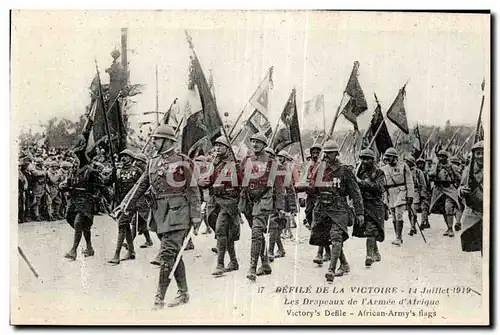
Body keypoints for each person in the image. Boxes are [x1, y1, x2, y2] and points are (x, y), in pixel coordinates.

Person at [121, 124, 201, 309]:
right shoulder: (152, 162)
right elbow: (141, 186)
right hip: (159, 215)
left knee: (166, 254)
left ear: (167, 141)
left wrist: (196, 217)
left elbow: (193, 189)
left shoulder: (183, 161)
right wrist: (126, 206)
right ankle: (184, 293)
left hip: (179, 213)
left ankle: (159, 299)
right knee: (173, 254)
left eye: (156, 139)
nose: (153, 142)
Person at [308, 140, 364, 282]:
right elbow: (313, 187)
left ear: (336, 154)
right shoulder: (319, 168)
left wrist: (360, 212)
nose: (326, 155)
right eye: (325, 152)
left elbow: (355, 193)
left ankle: (331, 270)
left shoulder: (345, 170)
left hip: (339, 208)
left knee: (336, 236)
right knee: (328, 237)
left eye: (330, 153)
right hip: (322, 208)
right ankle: (344, 264)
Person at [239, 132, 284, 281]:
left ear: (264, 145)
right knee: (256, 233)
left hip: (263, 200)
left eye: (258, 142)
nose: (255, 144)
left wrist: (279, 206)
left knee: (256, 233)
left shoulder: (271, 162)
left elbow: (278, 186)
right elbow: (240, 178)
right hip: (248, 201)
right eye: (253, 141)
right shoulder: (246, 160)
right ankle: (265, 264)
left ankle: (252, 267)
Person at [199, 136, 241, 275]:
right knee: (225, 233)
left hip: (228, 202)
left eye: (220, 146)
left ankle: (220, 264)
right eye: (216, 146)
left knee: (220, 230)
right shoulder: (214, 162)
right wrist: (204, 182)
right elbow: (210, 179)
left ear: (227, 148)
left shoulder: (234, 163)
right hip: (215, 202)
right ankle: (233, 261)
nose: (217, 148)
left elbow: (240, 184)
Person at [60, 138, 108, 260]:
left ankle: (73, 250)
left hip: (86, 201)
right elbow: (69, 183)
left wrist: (106, 198)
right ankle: (90, 248)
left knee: (78, 223)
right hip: (75, 200)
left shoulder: (90, 171)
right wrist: (64, 186)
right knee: (82, 225)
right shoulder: (73, 170)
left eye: (76, 156)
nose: (74, 159)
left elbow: (101, 185)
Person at [108, 149, 143, 265]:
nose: (123, 158)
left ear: (131, 158)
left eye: (126, 156)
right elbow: (106, 182)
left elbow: (142, 186)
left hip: (131, 203)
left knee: (122, 224)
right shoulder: (117, 171)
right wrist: (111, 173)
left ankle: (116, 255)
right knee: (126, 226)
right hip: (120, 203)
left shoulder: (137, 171)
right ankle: (131, 252)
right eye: (122, 156)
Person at [353, 148, 386, 266]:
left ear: (372, 160)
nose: (365, 161)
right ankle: (375, 251)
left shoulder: (379, 173)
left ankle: (369, 255)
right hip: (363, 205)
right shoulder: (358, 172)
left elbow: (378, 188)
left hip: (375, 205)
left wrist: (360, 182)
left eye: (367, 159)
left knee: (371, 229)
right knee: (369, 229)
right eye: (363, 159)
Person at [380, 148, 414, 246]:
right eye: (386, 156)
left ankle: (399, 237)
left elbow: (409, 182)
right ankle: (397, 236)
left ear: (395, 157)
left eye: (389, 156)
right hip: (390, 193)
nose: (387, 158)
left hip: (401, 191)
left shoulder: (403, 166)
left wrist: (410, 195)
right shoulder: (383, 168)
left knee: (399, 213)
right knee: (394, 215)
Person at [428, 150, 461, 237]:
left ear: (446, 157)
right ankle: (448, 227)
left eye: (443, 156)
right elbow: (430, 175)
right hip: (438, 189)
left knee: (448, 207)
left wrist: (456, 186)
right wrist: (431, 174)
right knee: (443, 209)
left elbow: (458, 177)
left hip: (449, 188)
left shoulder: (452, 166)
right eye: (439, 156)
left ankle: (451, 229)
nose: (441, 158)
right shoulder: (435, 166)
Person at [458, 141, 483, 253]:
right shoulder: (468, 171)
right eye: (478, 153)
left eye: (483, 153)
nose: (481, 156)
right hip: (474, 211)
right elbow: (460, 187)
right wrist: (462, 191)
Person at [404, 155, 427, 236]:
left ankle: (413, 227)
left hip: (415, 192)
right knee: (410, 212)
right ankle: (412, 225)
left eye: (407, 161)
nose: (406, 163)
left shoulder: (418, 172)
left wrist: (423, 195)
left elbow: (423, 184)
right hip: (406, 192)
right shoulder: (403, 171)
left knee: (413, 210)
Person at [416, 158, 431, 229]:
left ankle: (423, 222)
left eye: (422, 164)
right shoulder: (415, 172)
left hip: (424, 192)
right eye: (419, 163)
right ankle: (426, 222)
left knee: (424, 207)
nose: (420, 165)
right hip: (416, 192)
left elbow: (428, 184)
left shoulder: (425, 173)